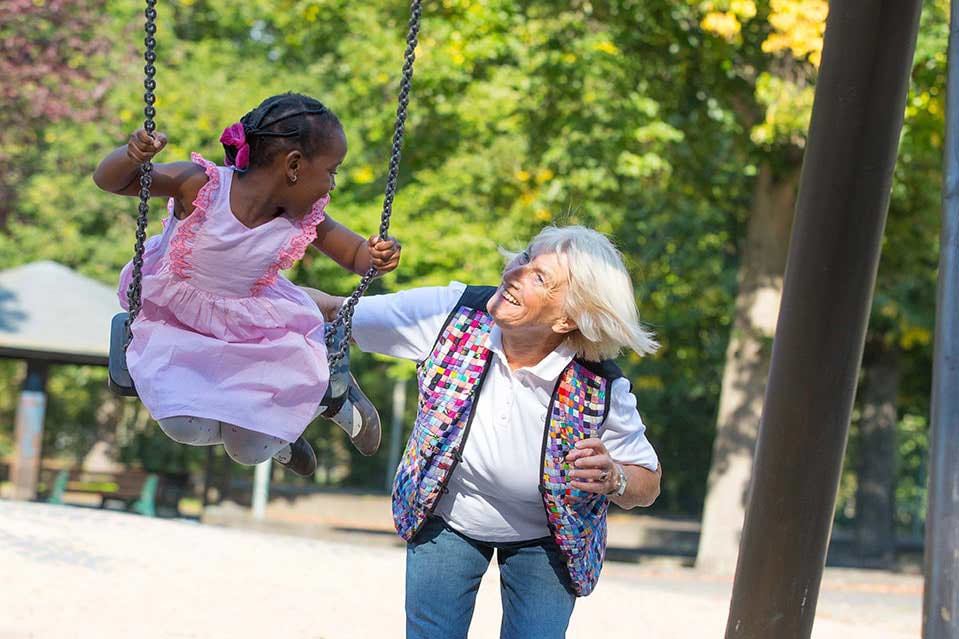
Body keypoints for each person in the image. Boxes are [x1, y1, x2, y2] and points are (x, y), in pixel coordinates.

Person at [308, 225, 662, 639]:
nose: (515, 271)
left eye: (539, 277)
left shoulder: (600, 383)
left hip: (548, 537)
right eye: (525, 257)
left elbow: (648, 481)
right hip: (448, 516)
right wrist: (239, 285)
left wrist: (615, 477)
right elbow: (335, 310)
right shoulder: (450, 313)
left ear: (568, 317)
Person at [93, 92, 400, 476]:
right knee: (182, 423)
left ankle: (316, 409)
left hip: (251, 330)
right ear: (293, 165)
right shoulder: (200, 186)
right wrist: (132, 155)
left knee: (247, 449)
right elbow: (111, 181)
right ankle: (282, 430)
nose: (332, 185)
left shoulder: (304, 218)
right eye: (332, 170)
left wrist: (378, 255)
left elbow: (357, 256)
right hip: (177, 320)